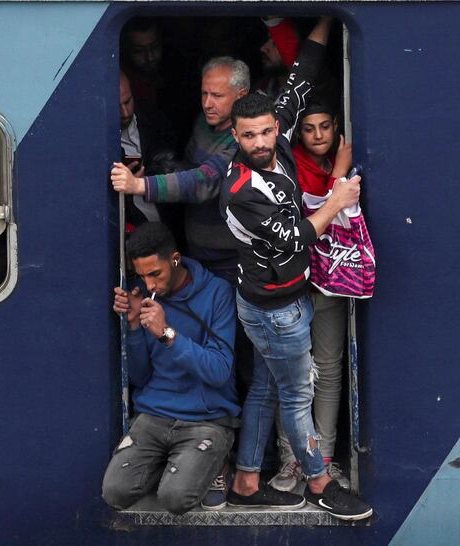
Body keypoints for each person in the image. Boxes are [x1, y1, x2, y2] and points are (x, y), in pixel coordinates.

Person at [220, 17, 373, 521]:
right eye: (249, 136)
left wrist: (326, 19)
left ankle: (245, 479)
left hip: (279, 298)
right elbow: (297, 236)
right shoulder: (242, 189)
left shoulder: (278, 128)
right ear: (235, 137)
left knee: (267, 386)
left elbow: (302, 72)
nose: (262, 142)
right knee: (296, 393)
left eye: (266, 131)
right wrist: (338, 195)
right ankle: (320, 480)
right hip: (275, 309)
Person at [102, 222, 239, 514]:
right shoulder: (144, 295)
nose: (150, 285)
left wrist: (167, 334)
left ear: (175, 260)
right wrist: (135, 326)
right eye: (142, 276)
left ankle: (216, 463)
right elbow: (140, 377)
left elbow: (219, 371)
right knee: (115, 492)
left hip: (207, 418)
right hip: (156, 414)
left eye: (155, 274)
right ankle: (177, 464)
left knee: (175, 499)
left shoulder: (217, 293)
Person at [269, 99, 353, 492]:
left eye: (325, 126)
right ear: (297, 133)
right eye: (309, 128)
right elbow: (316, 213)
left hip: (332, 279)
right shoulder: (291, 165)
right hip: (293, 282)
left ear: (336, 125)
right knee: (293, 374)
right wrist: (338, 174)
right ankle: (292, 460)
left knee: (331, 369)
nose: (318, 135)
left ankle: (326, 458)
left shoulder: (344, 158)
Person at [111, 55, 248, 282]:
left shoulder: (245, 136)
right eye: (204, 93)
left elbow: (204, 180)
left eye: (217, 95)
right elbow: (188, 167)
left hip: (232, 262)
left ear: (241, 95)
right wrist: (158, 168)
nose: (207, 103)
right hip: (195, 253)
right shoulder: (205, 121)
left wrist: (139, 185)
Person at [119, 71, 180, 230]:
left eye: (128, 102)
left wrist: (144, 179)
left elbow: (173, 163)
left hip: (166, 225)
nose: (125, 113)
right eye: (117, 106)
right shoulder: (97, 140)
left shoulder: (153, 120)